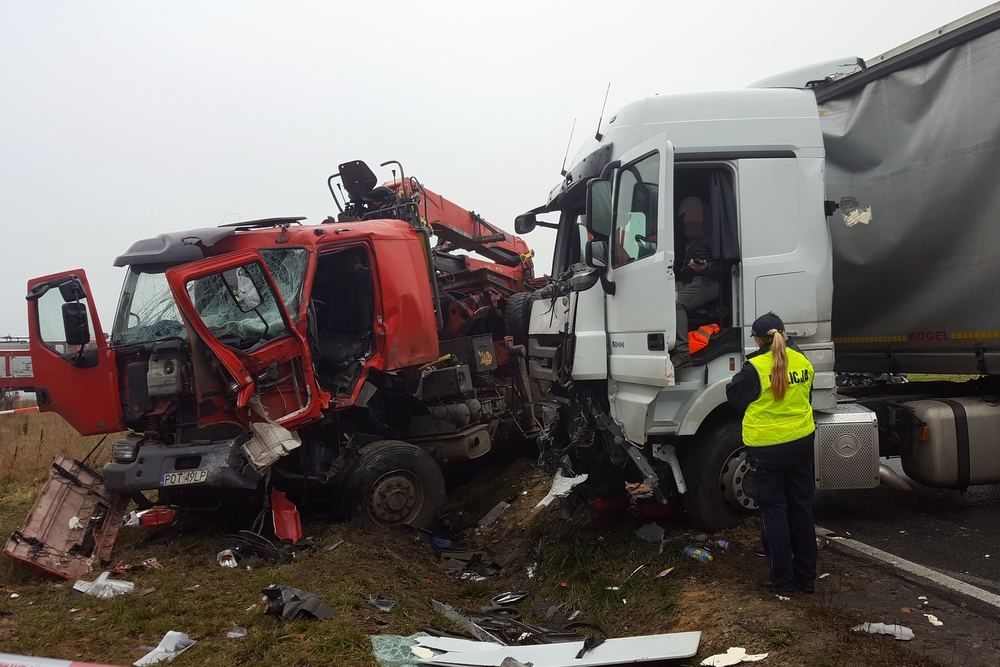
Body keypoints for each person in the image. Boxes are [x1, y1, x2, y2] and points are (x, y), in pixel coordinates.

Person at [726, 312, 817, 596]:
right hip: (801, 443)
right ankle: (806, 577)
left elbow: (734, 398)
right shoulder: (802, 361)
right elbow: (807, 397)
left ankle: (782, 580)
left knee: (774, 511)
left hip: (767, 449)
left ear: (757, 340)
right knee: (801, 508)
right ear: (785, 333)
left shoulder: (754, 368)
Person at [673, 197, 720, 367]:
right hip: (695, 280)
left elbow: (725, 267)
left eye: (690, 215)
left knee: (677, 304)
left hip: (710, 281)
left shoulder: (712, 236)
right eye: (684, 217)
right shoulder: (692, 238)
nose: (687, 220)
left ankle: (683, 353)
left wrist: (705, 268)